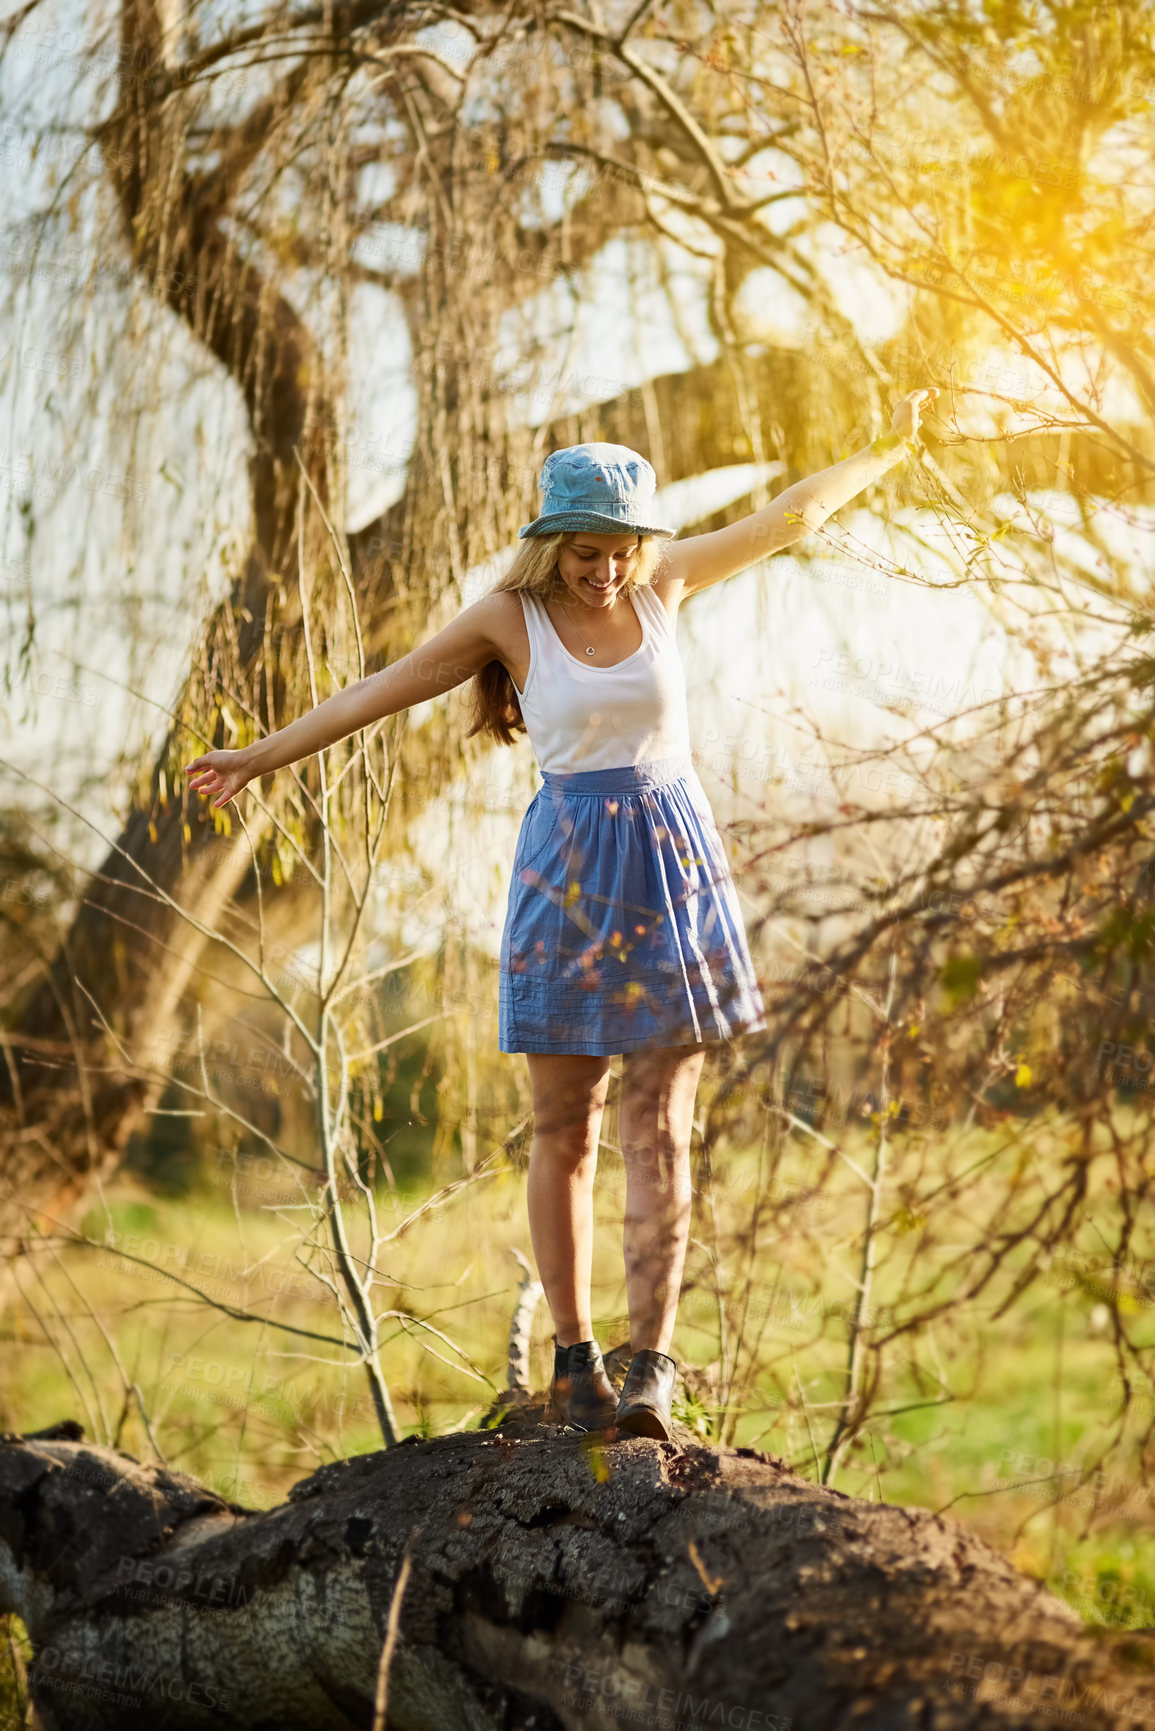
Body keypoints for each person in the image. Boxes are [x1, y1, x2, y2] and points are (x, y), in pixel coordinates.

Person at [186, 388, 938, 1441]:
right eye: (589, 550)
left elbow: (792, 519)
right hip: (569, 877)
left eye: (624, 547)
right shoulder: (512, 618)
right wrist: (259, 757)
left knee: (661, 1131)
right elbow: (381, 691)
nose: (609, 568)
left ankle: (649, 1372)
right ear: (551, 545)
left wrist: (892, 445)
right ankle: (576, 1359)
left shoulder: (666, 585)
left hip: (673, 868)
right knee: (565, 1129)